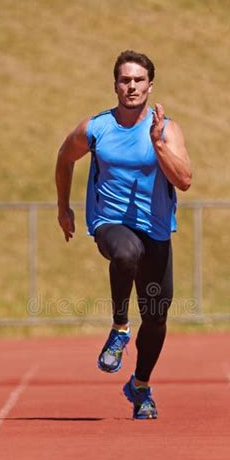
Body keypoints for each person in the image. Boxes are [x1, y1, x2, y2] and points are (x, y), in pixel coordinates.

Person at [55, 50, 192, 419]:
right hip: (110, 223)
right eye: (124, 80)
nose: (131, 86)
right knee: (125, 253)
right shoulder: (96, 129)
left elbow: (185, 180)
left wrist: (158, 144)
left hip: (157, 231)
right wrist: (63, 207)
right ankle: (118, 328)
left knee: (158, 317)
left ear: (150, 85)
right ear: (115, 84)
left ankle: (140, 386)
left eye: (138, 80)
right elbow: (65, 157)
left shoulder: (167, 129)